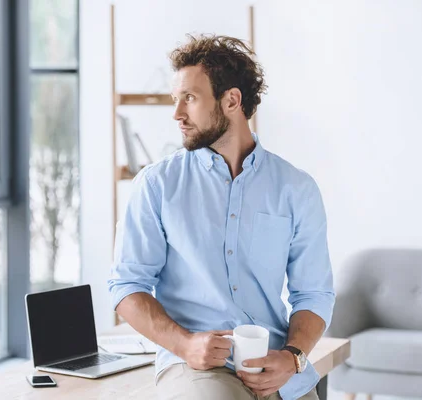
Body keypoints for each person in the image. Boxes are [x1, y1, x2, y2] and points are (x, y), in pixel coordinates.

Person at [108, 34, 335, 400]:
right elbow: (126, 286)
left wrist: (292, 357)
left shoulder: (296, 188)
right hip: (194, 365)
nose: (177, 113)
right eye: (175, 99)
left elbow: (314, 293)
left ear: (231, 100)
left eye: (190, 98)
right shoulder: (156, 185)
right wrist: (184, 344)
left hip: (274, 363)